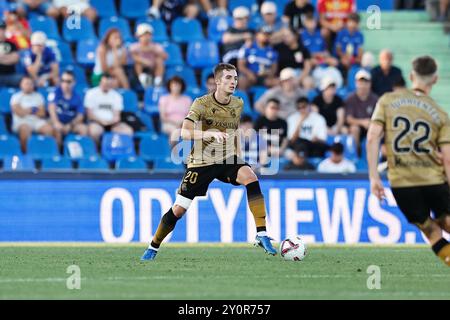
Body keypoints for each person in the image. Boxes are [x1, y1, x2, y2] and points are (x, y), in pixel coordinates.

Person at [141, 63, 278, 261]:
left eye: (236, 78)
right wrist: (207, 133)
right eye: (229, 78)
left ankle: (262, 233)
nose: (233, 82)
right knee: (179, 209)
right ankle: (153, 246)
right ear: (217, 81)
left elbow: (235, 132)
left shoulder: (237, 103)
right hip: (202, 162)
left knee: (251, 177)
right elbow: (185, 133)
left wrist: (240, 157)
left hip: (227, 158)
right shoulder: (201, 103)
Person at [367, 55, 450, 267]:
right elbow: (447, 159)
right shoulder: (440, 113)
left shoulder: (386, 100)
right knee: (446, 222)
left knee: (431, 231)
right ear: (435, 80)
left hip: (402, 182)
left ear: (412, 75)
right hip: (433, 179)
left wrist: (374, 177)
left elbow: (372, 137)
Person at [84, 73, 133, 146]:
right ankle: (97, 151)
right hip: (97, 122)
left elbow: (117, 115)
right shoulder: (91, 93)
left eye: (109, 84)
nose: (107, 85)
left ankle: (122, 151)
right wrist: (102, 121)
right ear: (100, 82)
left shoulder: (116, 96)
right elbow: (90, 114)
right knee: (94, 132)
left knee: (128, 131)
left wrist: (111, 122)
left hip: (112, 123)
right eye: (105, 83)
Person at [10, 76, 54, 153]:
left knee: (49, 130)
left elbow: (42, 113)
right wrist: (34, 110)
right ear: (21, 85)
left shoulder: (38, 96)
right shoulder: (16, 97)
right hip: (22, 122)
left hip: (37, 121)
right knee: (25, 129)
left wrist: (26, 110)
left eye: (31, 83)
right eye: (26, 83)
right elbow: (19, 113)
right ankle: (26, 154)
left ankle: (45, 153)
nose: (29, 85)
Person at [48, 70, 88, 147]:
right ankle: (58, 155)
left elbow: (80, 116)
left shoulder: (77, 96)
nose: (65, 84)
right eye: (63, 81)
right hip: (57, 122)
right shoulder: (55, 92)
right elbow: (51, 108)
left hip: (71, 123)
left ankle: (82, 155)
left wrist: (70, 125)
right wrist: (56, 122)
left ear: (74, 82)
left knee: (83, 129)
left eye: (68, 81)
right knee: (56, 130)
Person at [345, 69, 378, 155]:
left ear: (370, 84)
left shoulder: (375, 99)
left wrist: (371, 123)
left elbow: (379, 117)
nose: (363, 85)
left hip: (371, 127)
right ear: (356, 83)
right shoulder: (350, 99)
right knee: (354, 129)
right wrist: (363, 122)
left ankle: (376, 154)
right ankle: (357, 153)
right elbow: (349, 119)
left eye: (365, 82)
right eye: (361, 82)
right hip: (357, 129)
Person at [237, 26, 279, 90]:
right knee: (242, 80)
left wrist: (269, 74)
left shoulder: (272, 51)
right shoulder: (248, 47)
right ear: (257, 35)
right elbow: (241, 66)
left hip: (265, 77)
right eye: (264, 34)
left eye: (268, 35)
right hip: (250, 76)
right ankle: (242, 99)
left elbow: (274, 68)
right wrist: (249, 74)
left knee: (277, 82)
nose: (266, 37)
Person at [130, 23, 167, 89]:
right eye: (143, 35)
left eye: (148, 35)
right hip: (140, 69)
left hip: (153, 68)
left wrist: (154, 51)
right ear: (138, 36)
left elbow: (165, 56)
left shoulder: (156, 46)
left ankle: (158, 80)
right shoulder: (134, 46)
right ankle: (143, 79)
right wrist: (145, 61)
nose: (146, 37)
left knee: (159, 60)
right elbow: (133, 57)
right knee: (138, 63)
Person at [0, 21, 22, 88]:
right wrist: (9, 57)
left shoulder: (12, 44)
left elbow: (15, 59)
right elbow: (12, 58)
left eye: (2, 29)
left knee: (25, 81)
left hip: (11, 75)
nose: (1, 31)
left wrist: (2, 58)